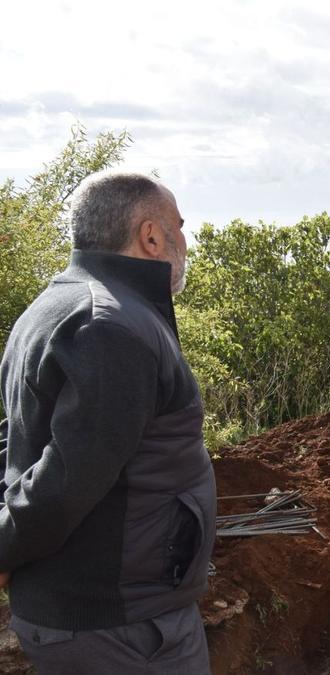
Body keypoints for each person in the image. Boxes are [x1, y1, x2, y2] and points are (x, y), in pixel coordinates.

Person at [0, 171, 214, 673]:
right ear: (151, 235)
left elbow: (15, 440)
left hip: (96, 613)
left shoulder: (52, 305)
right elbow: (66, 480)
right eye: (179, 227)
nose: (185, 241)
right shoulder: (112, 326)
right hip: (121, 626)